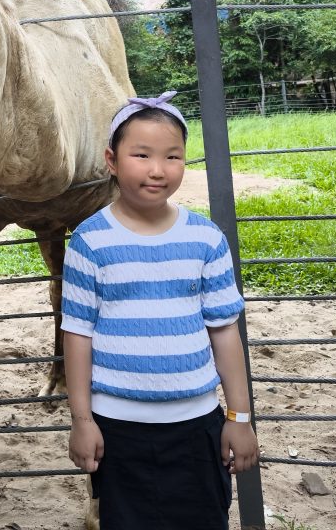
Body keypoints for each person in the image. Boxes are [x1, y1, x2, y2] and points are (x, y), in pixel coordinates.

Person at [62, 90, 259, 530]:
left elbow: (225, 333)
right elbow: (77, 334)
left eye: (173, 156)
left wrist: (239, 418)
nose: (158, 170)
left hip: (198, 424)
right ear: (112, 160)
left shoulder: (205, 238)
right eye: (142, 154)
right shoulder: (90, 242)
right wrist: (82, 421)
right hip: (117, 427)